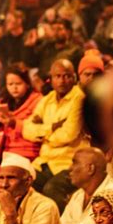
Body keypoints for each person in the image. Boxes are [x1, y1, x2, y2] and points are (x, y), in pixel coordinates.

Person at [22, 59, 89, 213]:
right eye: (57, 76)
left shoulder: (79, 99)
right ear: (50, 79)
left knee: (52, 189)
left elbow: (68, 134)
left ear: (74, 78)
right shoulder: (47, 99)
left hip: (69, 162)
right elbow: (27, 129)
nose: (62, 80)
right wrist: (52, 127)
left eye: (66, 76)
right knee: (22, 183)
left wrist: (41, 133)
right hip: (45, 161)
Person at [0, 63, 42, 160]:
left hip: (26, 151)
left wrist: (14, 123)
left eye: (18, 84)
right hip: (1, 152)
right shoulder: (3, 102)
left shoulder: (38, 101)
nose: (14, 88)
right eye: (10, 84)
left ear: (27, 84)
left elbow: (37, 130)